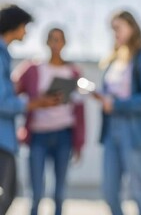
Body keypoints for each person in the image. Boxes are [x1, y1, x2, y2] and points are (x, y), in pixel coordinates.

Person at [94, 10, 141, 215]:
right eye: (112, 29)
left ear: (132, 28)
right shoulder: (113, 61)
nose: (114, 33)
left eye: (118, 28)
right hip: (110, 132)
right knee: (109, 191)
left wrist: (117, 105)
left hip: (134, 132)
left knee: (138, 191)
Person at [13, 27, 86, 215]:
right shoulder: (32, 68)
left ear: (64, 43)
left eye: (59, 39)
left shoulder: (74, 72)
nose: (55, 44)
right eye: (52, 39)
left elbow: (80, 108)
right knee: (36, 193)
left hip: (63, 134)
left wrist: (79, 143)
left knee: (59, 193)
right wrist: (37, 102)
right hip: (38, 134)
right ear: (46, 42)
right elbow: (10, 93)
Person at [0, 5, 62, 215]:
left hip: (6, 139)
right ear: (14, 25)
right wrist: (36, 103)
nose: (26, 32)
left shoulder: (4, 55)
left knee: (9, 191)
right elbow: (2, 102)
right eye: (24, 26)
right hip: (2, 140)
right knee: (7, 193)